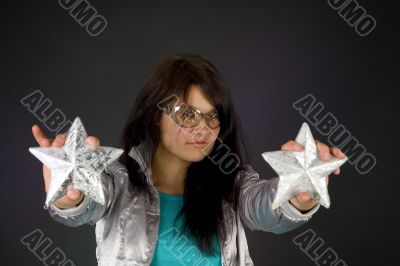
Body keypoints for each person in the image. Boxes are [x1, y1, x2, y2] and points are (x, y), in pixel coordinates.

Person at [31, 54, 346, 266]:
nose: (202, 129)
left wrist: (301, 193)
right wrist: (70, 194)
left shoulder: (232, 182)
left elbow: (265, 208)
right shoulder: (118, 180)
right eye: (186, 115)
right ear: (155, 115)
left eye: (212, 117)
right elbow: (87, 204)